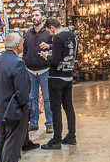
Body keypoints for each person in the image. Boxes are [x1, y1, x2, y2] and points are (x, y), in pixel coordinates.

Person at [0, 33, 31, 162]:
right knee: (13, 139)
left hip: (0, 106)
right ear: (19, 45)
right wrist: (25, 105)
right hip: (13, 108)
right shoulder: (17, 63)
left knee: (3, 136)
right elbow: (21, 89)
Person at [41, 18, 78, 150]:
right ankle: (71, 136)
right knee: (68, 106)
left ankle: (56, 140)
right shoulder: (72, 36)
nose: (50, 35)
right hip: (68, 76)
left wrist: (46, 56)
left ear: (52, 27)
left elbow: (56, 60)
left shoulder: (57, 38)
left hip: (56, 77)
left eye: (49, 32)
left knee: (56, 108)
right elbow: (72, 53)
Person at [22, 8, 53, 133]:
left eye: (37, 15)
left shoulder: (47, 33)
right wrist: (25, 60)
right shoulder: (28, 33)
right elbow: (25, 49)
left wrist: (49, 47)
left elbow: (55, 46)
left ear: (42, 17)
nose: (34, 17)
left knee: (47, 98)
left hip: (45, 70)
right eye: (32, 15)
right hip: (31, 71)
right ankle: (34, 122)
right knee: (32, 98)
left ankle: (49, 123)